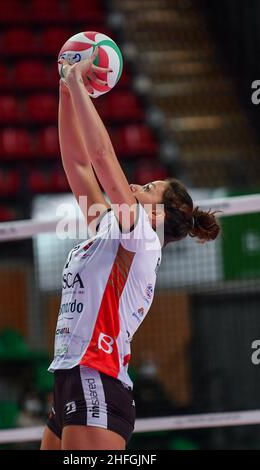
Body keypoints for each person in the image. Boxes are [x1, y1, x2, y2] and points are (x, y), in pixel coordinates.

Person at [40, 48, 220, 450]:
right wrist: (66, 94)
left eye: (150, 189)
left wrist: (77, 84)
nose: (138, 186)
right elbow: (78, 165)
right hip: (73, 374)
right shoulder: (113, 225)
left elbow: (102, 158)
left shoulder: (141, 236)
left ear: (162, 213)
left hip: (98, 379)